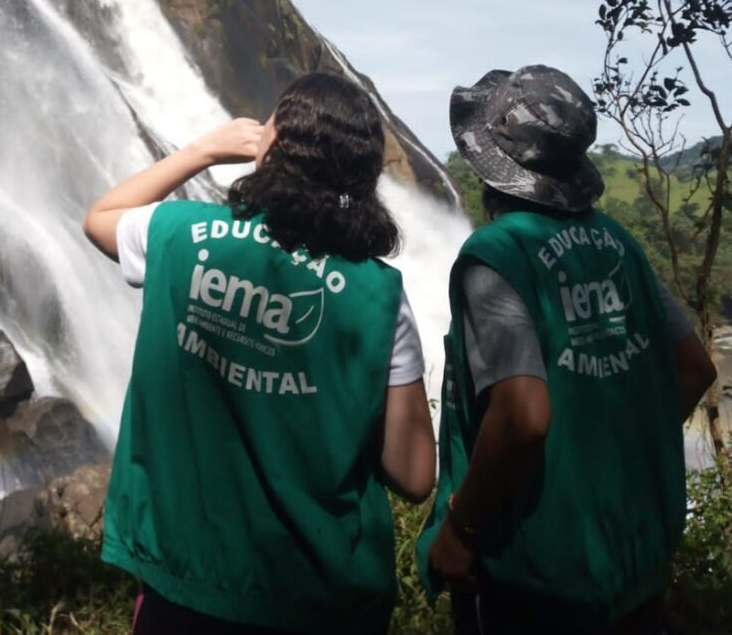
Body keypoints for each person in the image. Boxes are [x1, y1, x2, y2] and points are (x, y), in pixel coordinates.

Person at [83, 72, 436, 635]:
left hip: (186, 585)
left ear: (270, 149)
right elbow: (415, 474)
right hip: (321, 597)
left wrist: (202, 151)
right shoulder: (380, 296)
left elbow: (99, 218)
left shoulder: (177, 232)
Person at [417, 64, 717, 635]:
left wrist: (460, 530)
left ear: (490, 166)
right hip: (633, 559)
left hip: (538, 574)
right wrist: (611, 458)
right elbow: (695, 367)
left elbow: (524, 414)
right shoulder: (617, 242)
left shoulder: (497, 254)